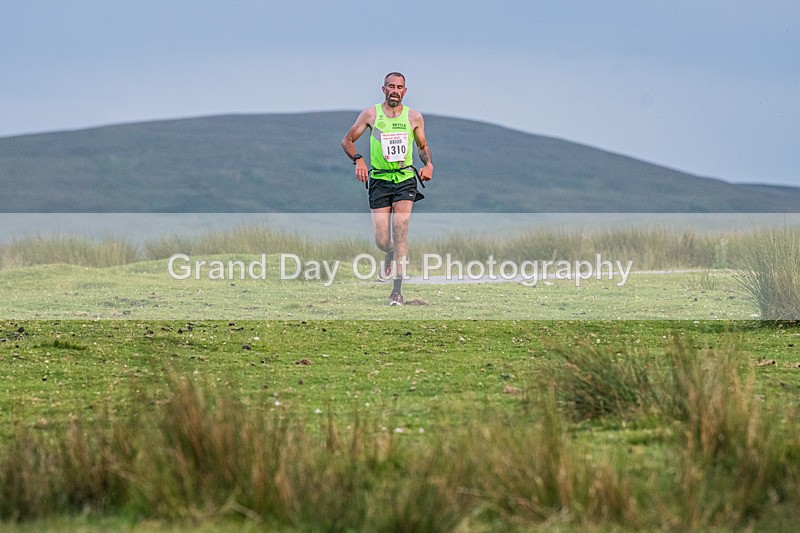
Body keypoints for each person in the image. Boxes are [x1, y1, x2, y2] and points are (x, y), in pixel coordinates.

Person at [341, 72, 434, 306]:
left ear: (405, 91)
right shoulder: (371, 114)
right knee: (382, 240)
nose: (395, 90)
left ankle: (397, 292)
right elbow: (347, 141)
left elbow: (422, 147)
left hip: (404, 179)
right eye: (390, 86)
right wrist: (359, 160)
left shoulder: (414, 117)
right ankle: (389, 254)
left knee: (400, 229)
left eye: (399, 87)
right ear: (383, 89)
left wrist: (428, 164)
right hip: (380, 181)